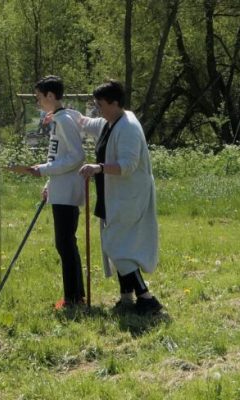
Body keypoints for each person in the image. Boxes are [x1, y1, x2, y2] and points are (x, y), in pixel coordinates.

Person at [78, 80, 162, 315]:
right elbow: (86, 122)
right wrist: (58, 112)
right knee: (116, 243)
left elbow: (127, 165)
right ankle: (126, 297)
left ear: (115, 103)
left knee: (117, 245)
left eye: (101, 104)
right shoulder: (110, 122)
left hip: (129, 197)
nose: (98, 109)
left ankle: (147, 298)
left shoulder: (128, 127)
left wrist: (98, 167)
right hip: (112, 195)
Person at [8, 75, 86, 310]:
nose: (38, 103)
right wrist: (49, 183)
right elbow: (58, 156)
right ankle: (74, 295)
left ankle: (74, 298)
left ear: (51, 96)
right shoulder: (60, 118)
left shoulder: (63, 120)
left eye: (40, 98)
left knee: (65, 243)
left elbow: (76, 156)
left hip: (68, 190)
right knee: (64, 243)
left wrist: (41, 170)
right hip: (59, 188)